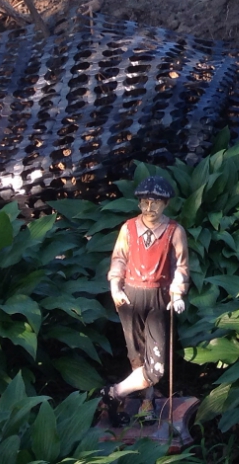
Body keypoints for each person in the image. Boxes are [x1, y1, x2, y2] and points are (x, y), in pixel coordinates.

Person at [98, 177, 189, 427]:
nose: (149, 208)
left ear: (165, 204)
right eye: (145, 202)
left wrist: (177, 292)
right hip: (130, 296)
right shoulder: (128, 228)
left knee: (156, 363)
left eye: (155, 203)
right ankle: (147, 402)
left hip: (158, 296)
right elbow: (119, 258)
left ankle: (114, 392)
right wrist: (115, 286)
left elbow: (181, 265)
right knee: (136, 351)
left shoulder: (174, 231)